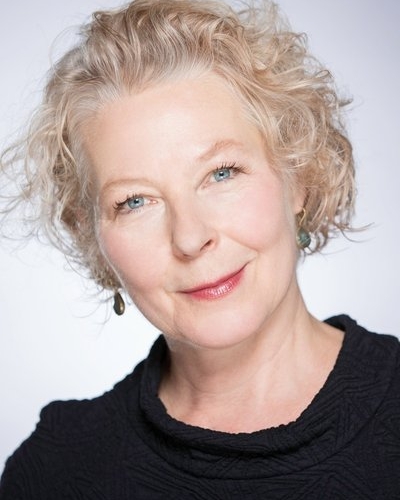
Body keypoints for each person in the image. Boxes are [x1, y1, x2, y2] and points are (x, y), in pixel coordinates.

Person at [0, 0, 399, 497]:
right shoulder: (56, 470)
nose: (190, 238)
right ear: (94, 238)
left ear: (298, 175)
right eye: (135, 201)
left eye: (222, 173)